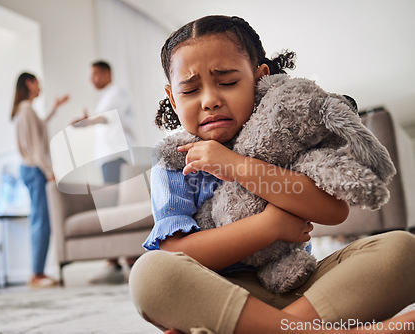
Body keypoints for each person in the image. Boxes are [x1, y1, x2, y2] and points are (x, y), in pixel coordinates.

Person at [128, 15, 415, 334]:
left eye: (227, 82)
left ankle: (265, 329)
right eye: (191, 90)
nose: (210, 100)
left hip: (303, 290)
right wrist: (268, 226)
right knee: (150, 275)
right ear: (172, 98)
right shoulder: (172, 162)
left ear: (259, 77)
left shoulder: (285, 137)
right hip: (222, 293)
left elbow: (334, 211)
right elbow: (174, 252)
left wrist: (237, 166)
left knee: (402, 250)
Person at [72, 61, 138, 284]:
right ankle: (116, 257)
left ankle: (122, 256)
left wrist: (86, 122)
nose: (92, 79)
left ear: (107, 73)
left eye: (95, 74)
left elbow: (106, 118)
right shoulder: (104, 97)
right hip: (106, 157)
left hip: (115, 155)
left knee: (116, 204)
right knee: (111, 204)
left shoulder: (116, 92)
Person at [11, 72, 69, 288]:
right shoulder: (26, 109)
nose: (40, 85)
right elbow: (36, 146)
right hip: (35, 170)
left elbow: (39, 128)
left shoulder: (25, 110)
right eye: (37, 82)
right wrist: (48, 171)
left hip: (31, 169)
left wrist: (54, 108)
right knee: (41, 221)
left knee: (41, 220)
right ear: (29, 83)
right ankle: (36, 274)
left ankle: (38, 272)